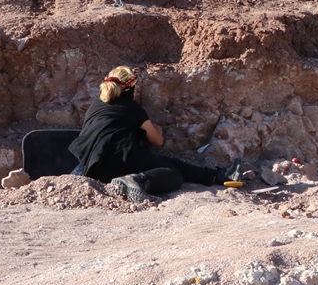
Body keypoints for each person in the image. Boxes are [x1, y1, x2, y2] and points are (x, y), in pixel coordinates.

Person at [69, 66, 247, 202]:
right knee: (173, 172)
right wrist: (158, 130)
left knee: (169, 164)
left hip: (94, 167)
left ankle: (219, 175)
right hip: (119, 159)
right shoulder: (132, 107)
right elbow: (157, 141)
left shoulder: (94, 107)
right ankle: (135, 180)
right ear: (130, 88)